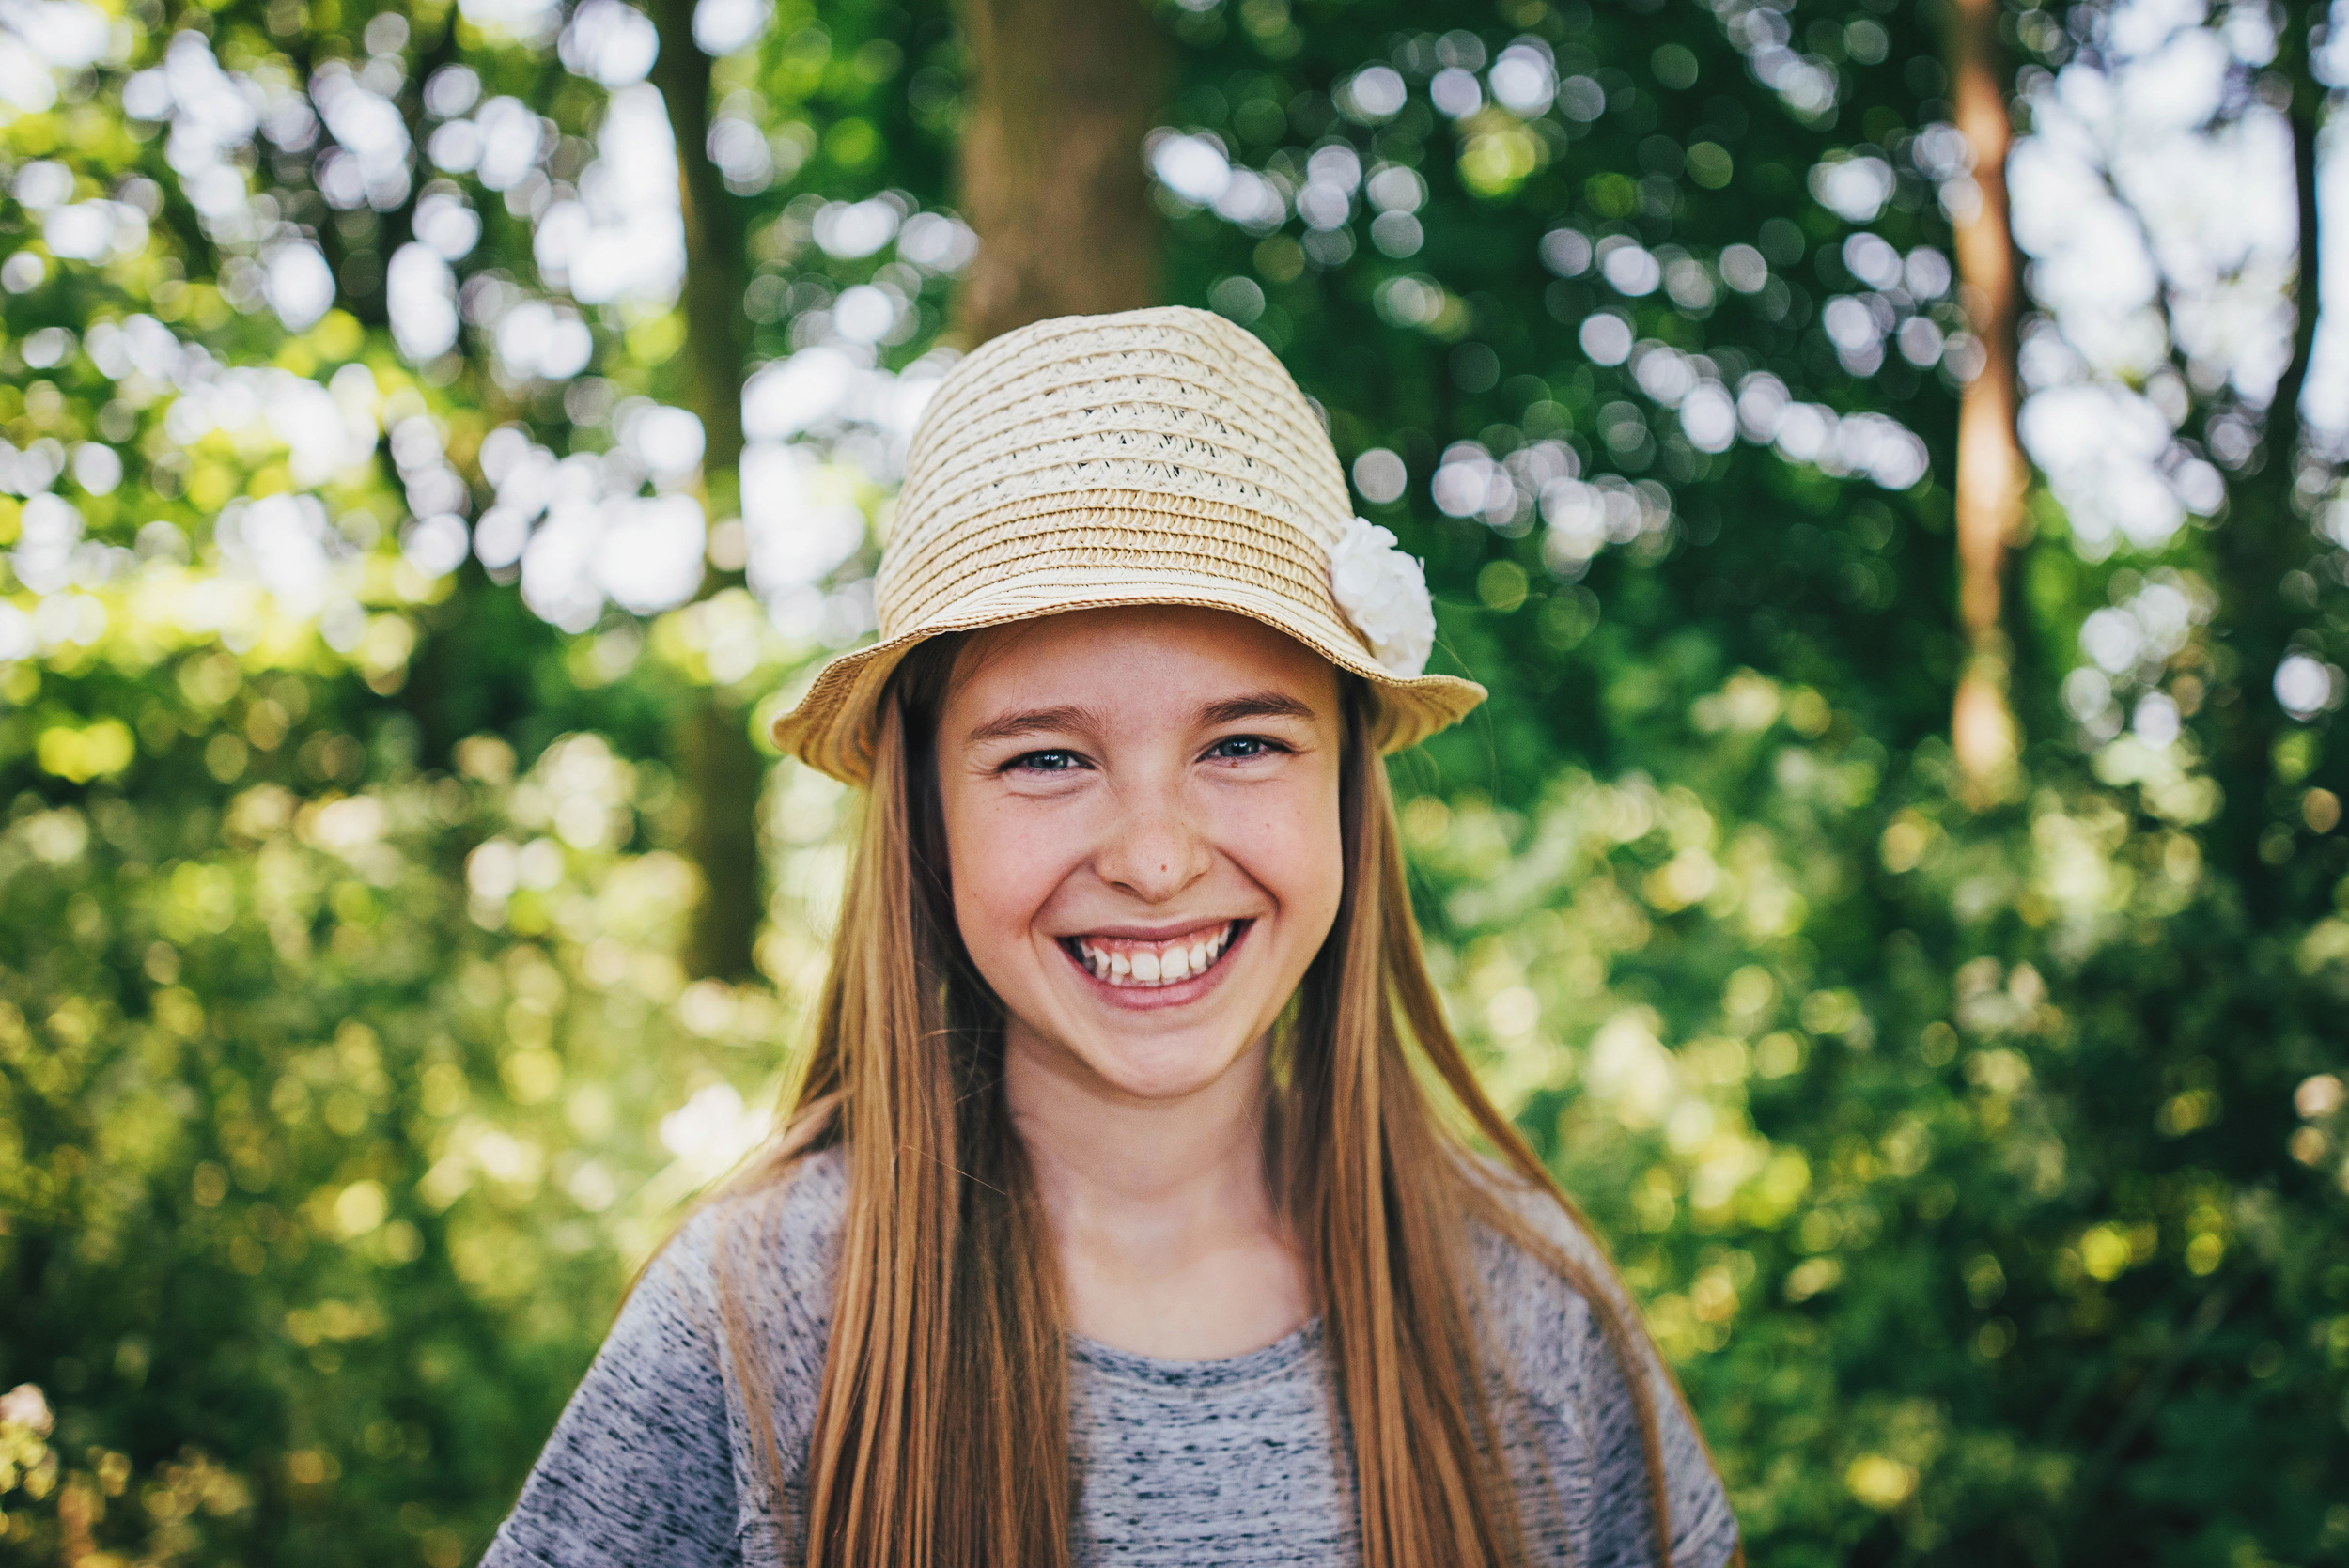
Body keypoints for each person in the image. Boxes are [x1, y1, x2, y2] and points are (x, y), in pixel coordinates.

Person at [483, 307, 1740, 1568]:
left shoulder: (1527, 1310)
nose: (1153, 857)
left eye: (1243, 743)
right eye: (1046, 757)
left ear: (1349, 787)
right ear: (926, 813)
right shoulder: (753, 1323)